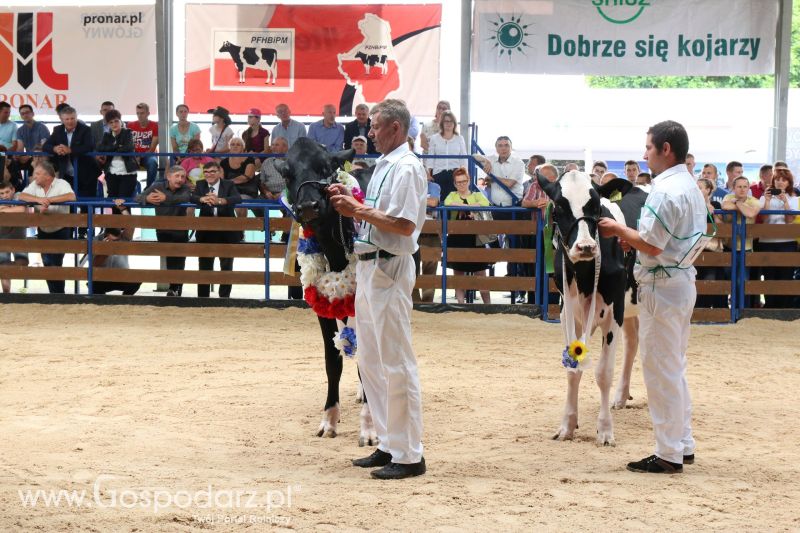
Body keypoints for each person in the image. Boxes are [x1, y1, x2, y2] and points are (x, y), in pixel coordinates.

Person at [598, 120, 706, 474]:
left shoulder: (663, 190)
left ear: (665, 149)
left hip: (662, 285)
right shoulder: (689, 184)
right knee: (674, 366)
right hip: (681, 279)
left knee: (660, 370)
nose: (644, 154)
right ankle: (683, 442)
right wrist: (641, 240)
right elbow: (674, 239)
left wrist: (618, 230)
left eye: (648, 147)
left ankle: (668, 452)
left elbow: (655, 243)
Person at [328, 98, 427, 480]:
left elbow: (404, 225)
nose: (369, 132)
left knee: (396, 362)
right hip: (370, 267)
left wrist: (358, 211)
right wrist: (354, 204)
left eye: (376, 126)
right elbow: (376, 218)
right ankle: (388, 443)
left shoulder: (408, 168)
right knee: (370, 359)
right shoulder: (386, 166)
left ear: (396, 129)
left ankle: (410, 455)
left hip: (390, 266)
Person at [18, 162, 76, 294]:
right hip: (43, 229)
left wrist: (48, 200)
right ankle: (54, 295)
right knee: (47, 263)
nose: (34, 176)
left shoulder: (62, 183)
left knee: (55, 263)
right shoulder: (35, 185)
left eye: (37, 173)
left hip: (61, 229)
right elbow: (21, 196)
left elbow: (71, 196)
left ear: (47, 176)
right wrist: (39, 200)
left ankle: (58, 295)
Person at [136, 165, 192, 296]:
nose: (180, 179)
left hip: (180, 230)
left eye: (182, 177)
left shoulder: (185, 188)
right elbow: (138, 197)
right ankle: (174, 288)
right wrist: (147, 198)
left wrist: (166, 198)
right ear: (168, 177)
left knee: (179, 259)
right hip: (162, 229)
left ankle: (175, 289)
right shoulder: (157, 186)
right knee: (170, 259)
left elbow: (185, 198)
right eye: (177, 176)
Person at [43, 105, 101, 228]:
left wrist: (70, 150)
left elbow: (88, 146)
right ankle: (69, 229)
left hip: (87, 173)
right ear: (62, 119)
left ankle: (85, 230)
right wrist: (55, 148)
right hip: (67, 173)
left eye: (72, 118)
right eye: (67, 119)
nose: (70, 121)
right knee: (68, 203)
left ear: (76, 117)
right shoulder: (57, 130)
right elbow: (46, 146)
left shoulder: (85, 129)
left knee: (87, 203)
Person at [191, 161, 242, 298]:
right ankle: (203, 298)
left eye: (213, 172)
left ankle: (224, 298)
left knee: (226, 266)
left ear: (219, 172)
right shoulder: (200, 184)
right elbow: (192, 197)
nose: (209, 175)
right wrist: (202, 199)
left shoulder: (228, 184)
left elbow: (237, 198)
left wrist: (220, 201)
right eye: (206, 172)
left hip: (226, 231)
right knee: (204, 266)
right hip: (206, 231)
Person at [444, 167, 492, 304]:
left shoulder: (477, 194)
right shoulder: (452, 194)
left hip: (476, 238)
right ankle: (460, 303)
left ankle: (487, 305)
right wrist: (470, 207)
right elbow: (448, 203)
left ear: (469, 181)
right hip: (457, 238)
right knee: (458, 273)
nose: (461, 184)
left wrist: (464, 206)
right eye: (458, 182)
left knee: (481, 272)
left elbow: (485, 204)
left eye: (464, 181)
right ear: (454, 184)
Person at [757, 167, 798, 308]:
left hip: (787, 242)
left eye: (784, 179)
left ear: (789, 182)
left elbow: (789, 220)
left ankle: (784, 309)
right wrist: (767, 200)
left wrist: (785, 202)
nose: (780, 182)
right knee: (769, 276)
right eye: (778, 179)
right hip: (767, 241)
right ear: (773, 181)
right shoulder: (764, 196)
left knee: (785, 277)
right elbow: (764, 218)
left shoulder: (793, 198)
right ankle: (770, 307)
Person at [91, 200, 141, 296]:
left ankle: (125, 299)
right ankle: (100, 301)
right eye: (112, 240)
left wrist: (123, 209)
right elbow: (94, 264)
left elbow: (131, 224)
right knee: (93, 285)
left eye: (116, 241)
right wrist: (104, 251)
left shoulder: (124, 237)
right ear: (105, 236)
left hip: (122, 277)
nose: (114, 243)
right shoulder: (96, 240)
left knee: (137, 280)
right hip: (102, 279)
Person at [96, 110, 138, 212]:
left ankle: (126, 227)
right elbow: (100, 148)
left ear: (120, 121)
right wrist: (117, 147)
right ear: (107, 124)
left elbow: (127, 148)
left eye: (116, 121)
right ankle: (115, 227)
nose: (114, 124)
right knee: (113, 201)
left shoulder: (128, 132)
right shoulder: (107, 135)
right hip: (111, 172)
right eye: (111, 122)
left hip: (128, 172)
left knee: (123, 201)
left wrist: (110, 148)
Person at [0, 180, 29, 293]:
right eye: (1, 193)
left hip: (19, 238)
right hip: (2, 238)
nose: (5, 196)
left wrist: (3, 210)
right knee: (3, 266)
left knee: (23, 262)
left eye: (7, 192)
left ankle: (4, 268)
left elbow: (22, 209)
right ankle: (6, 295)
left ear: (13, 190)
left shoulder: (18, 196)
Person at [220, 137, 257, 217]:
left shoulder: (249, 160)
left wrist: (228, 182)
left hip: (246, 192)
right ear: (229, 147)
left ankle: (240, 228)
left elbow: (246, 177)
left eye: (238, 144)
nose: (235, 146)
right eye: (232, 144)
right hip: (229, 193)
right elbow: (221, 180)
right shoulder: (223, 162)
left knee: (240, 202)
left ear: (243, 147)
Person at [127, 102, 160, 187]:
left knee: (153, 162)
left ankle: (149, 188)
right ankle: (131, 187)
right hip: (133, 154)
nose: (139, 115)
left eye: (142, 113)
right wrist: (135, 156)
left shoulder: (155, 125)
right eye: (138, 113)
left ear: (148, 113)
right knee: (124, 162)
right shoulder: (130, 125)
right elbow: (128, 144)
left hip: (148, 155)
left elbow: (152, 148)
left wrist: (140, 156)